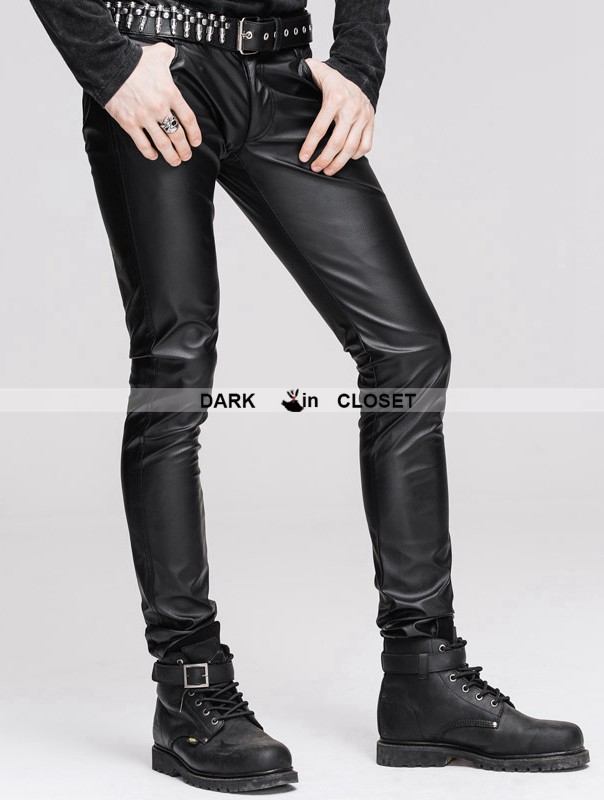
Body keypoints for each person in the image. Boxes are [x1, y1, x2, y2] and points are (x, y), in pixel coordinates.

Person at [29, 0, 589, 791]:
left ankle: (423, 675)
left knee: (408, 352)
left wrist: (358, 64)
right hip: (160, 59)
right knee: (175, 367)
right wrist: (108, 64)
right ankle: (190, 687)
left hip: (285, 76)